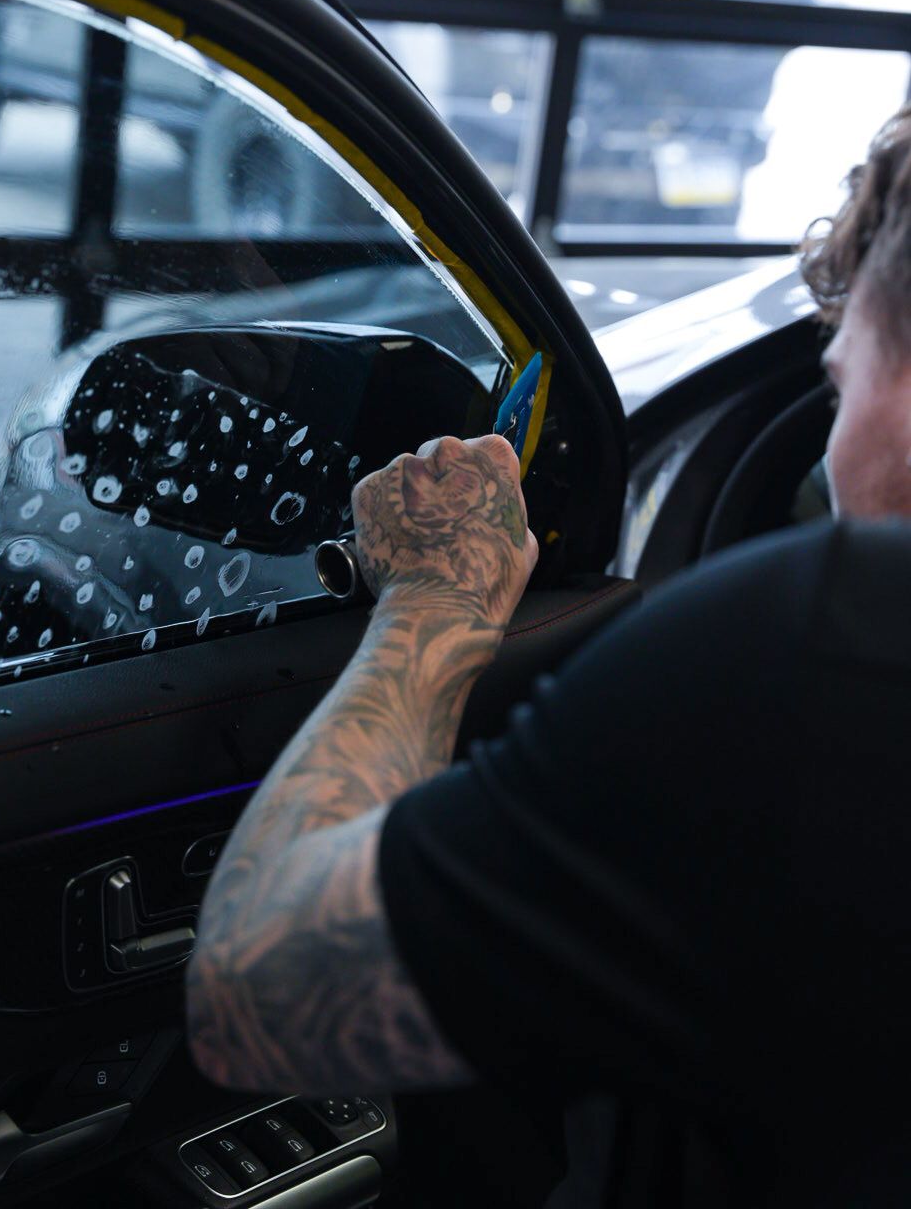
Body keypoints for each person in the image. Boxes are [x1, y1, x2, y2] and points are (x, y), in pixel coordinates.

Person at [185, 106, 911, 1206]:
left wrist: (436, 595)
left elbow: (254, 990)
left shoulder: (827, 651)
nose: (827, 439)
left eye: (841, 378)